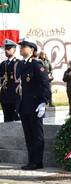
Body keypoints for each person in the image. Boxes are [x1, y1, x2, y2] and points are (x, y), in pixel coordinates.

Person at [18, 37, 50, 170]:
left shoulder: (36, 64)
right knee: (28, 135)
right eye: (21, 46)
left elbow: (45, 84)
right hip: (24, 105)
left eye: (24, 46)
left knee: (36, 135)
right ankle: (32, 160)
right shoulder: (22, 64)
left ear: (31, 49)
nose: (21, 48)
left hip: (36, 105)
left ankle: (37, 162)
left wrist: (43, 102)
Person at [0, 39, 21, 122]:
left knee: (16, 118)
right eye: (5, 49)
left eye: (9, 49)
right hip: (5, 96)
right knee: (7, 118)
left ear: (14, 50)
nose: (6, 51)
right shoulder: (3, 64)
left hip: (14, 95)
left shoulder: (18, 63)